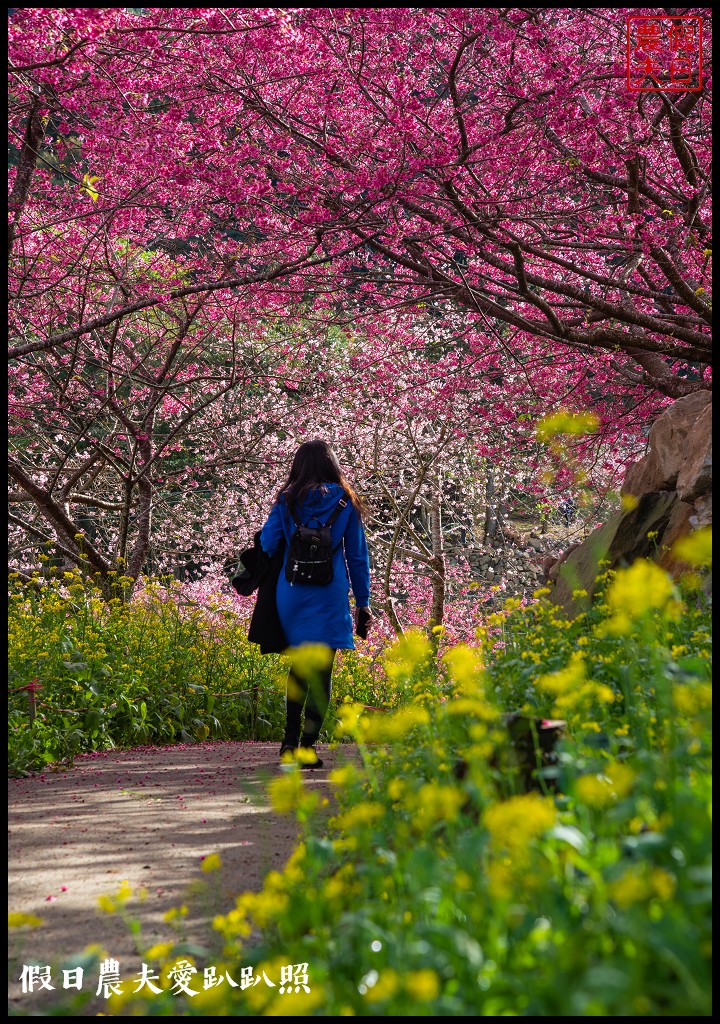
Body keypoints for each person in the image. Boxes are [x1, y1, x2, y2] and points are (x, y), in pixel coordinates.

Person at [258, 439, 372, 768]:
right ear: (332, 465)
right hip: (329, 594)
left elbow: (267, 543)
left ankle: (287, 743)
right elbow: (357, 557)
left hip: (291, 593)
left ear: (299, 465)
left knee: (299, 666)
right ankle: (307, 746)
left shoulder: (287, 500)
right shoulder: (346, 503)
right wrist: (363, 601)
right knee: (322, 671)